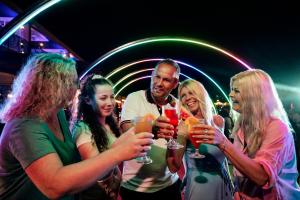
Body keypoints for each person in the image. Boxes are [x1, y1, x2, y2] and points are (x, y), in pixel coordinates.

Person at [0, 53, 153, 200]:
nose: (77, 87)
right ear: (56, 85)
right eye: (74, 82)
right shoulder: (23, 126)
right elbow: (54, 185)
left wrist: (133, 134)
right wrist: (118, 154)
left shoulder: (57, 113)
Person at [193, 69, 300, 199]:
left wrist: (223, 142)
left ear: (254, 94)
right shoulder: (242, 124)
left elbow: (262, 177)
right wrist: (238, 190)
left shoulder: (277, 127)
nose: (230, 95)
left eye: (236, 91)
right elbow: (241, 168)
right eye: (232, 89)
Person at [119, 59, 182, 200]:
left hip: (169, 184)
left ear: (175, 83)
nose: (159, 83)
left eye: (166, 80)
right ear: (152, 75)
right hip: (135, 186)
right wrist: (152, 128)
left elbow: (180, 139)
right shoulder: (135, 98)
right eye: (157, 77)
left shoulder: (177, 105)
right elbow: (126, 129)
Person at [166, 79, 233, 200]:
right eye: (183, 96)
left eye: (191, 93)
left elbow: (223, 157)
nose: (187, 98)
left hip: (223, 185)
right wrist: (178, 136)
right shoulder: (183, 126)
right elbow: (173, 167)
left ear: (201, 94)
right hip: (200, 188)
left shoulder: (218, 121)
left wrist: (231, 183)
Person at [71, 74, 125, 199]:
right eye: (103, 98)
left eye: (112, 97)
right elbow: (96, 169)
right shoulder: (82, 128)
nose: (110, 102)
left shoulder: (109, 123)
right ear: (88, 100)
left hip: (111, 193)